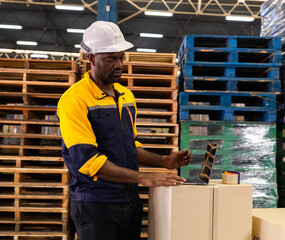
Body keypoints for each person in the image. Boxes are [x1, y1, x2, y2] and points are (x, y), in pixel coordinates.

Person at [57, 21, 191, 240]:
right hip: (95, 204)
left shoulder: (125, 96)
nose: (118, 64)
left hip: (129, 202)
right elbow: (88, 161)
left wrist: (165, 162)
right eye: (111, 59)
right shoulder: (74, 100)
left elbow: (131, 146)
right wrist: (143, 178)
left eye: (121, 57)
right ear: (91, 58)